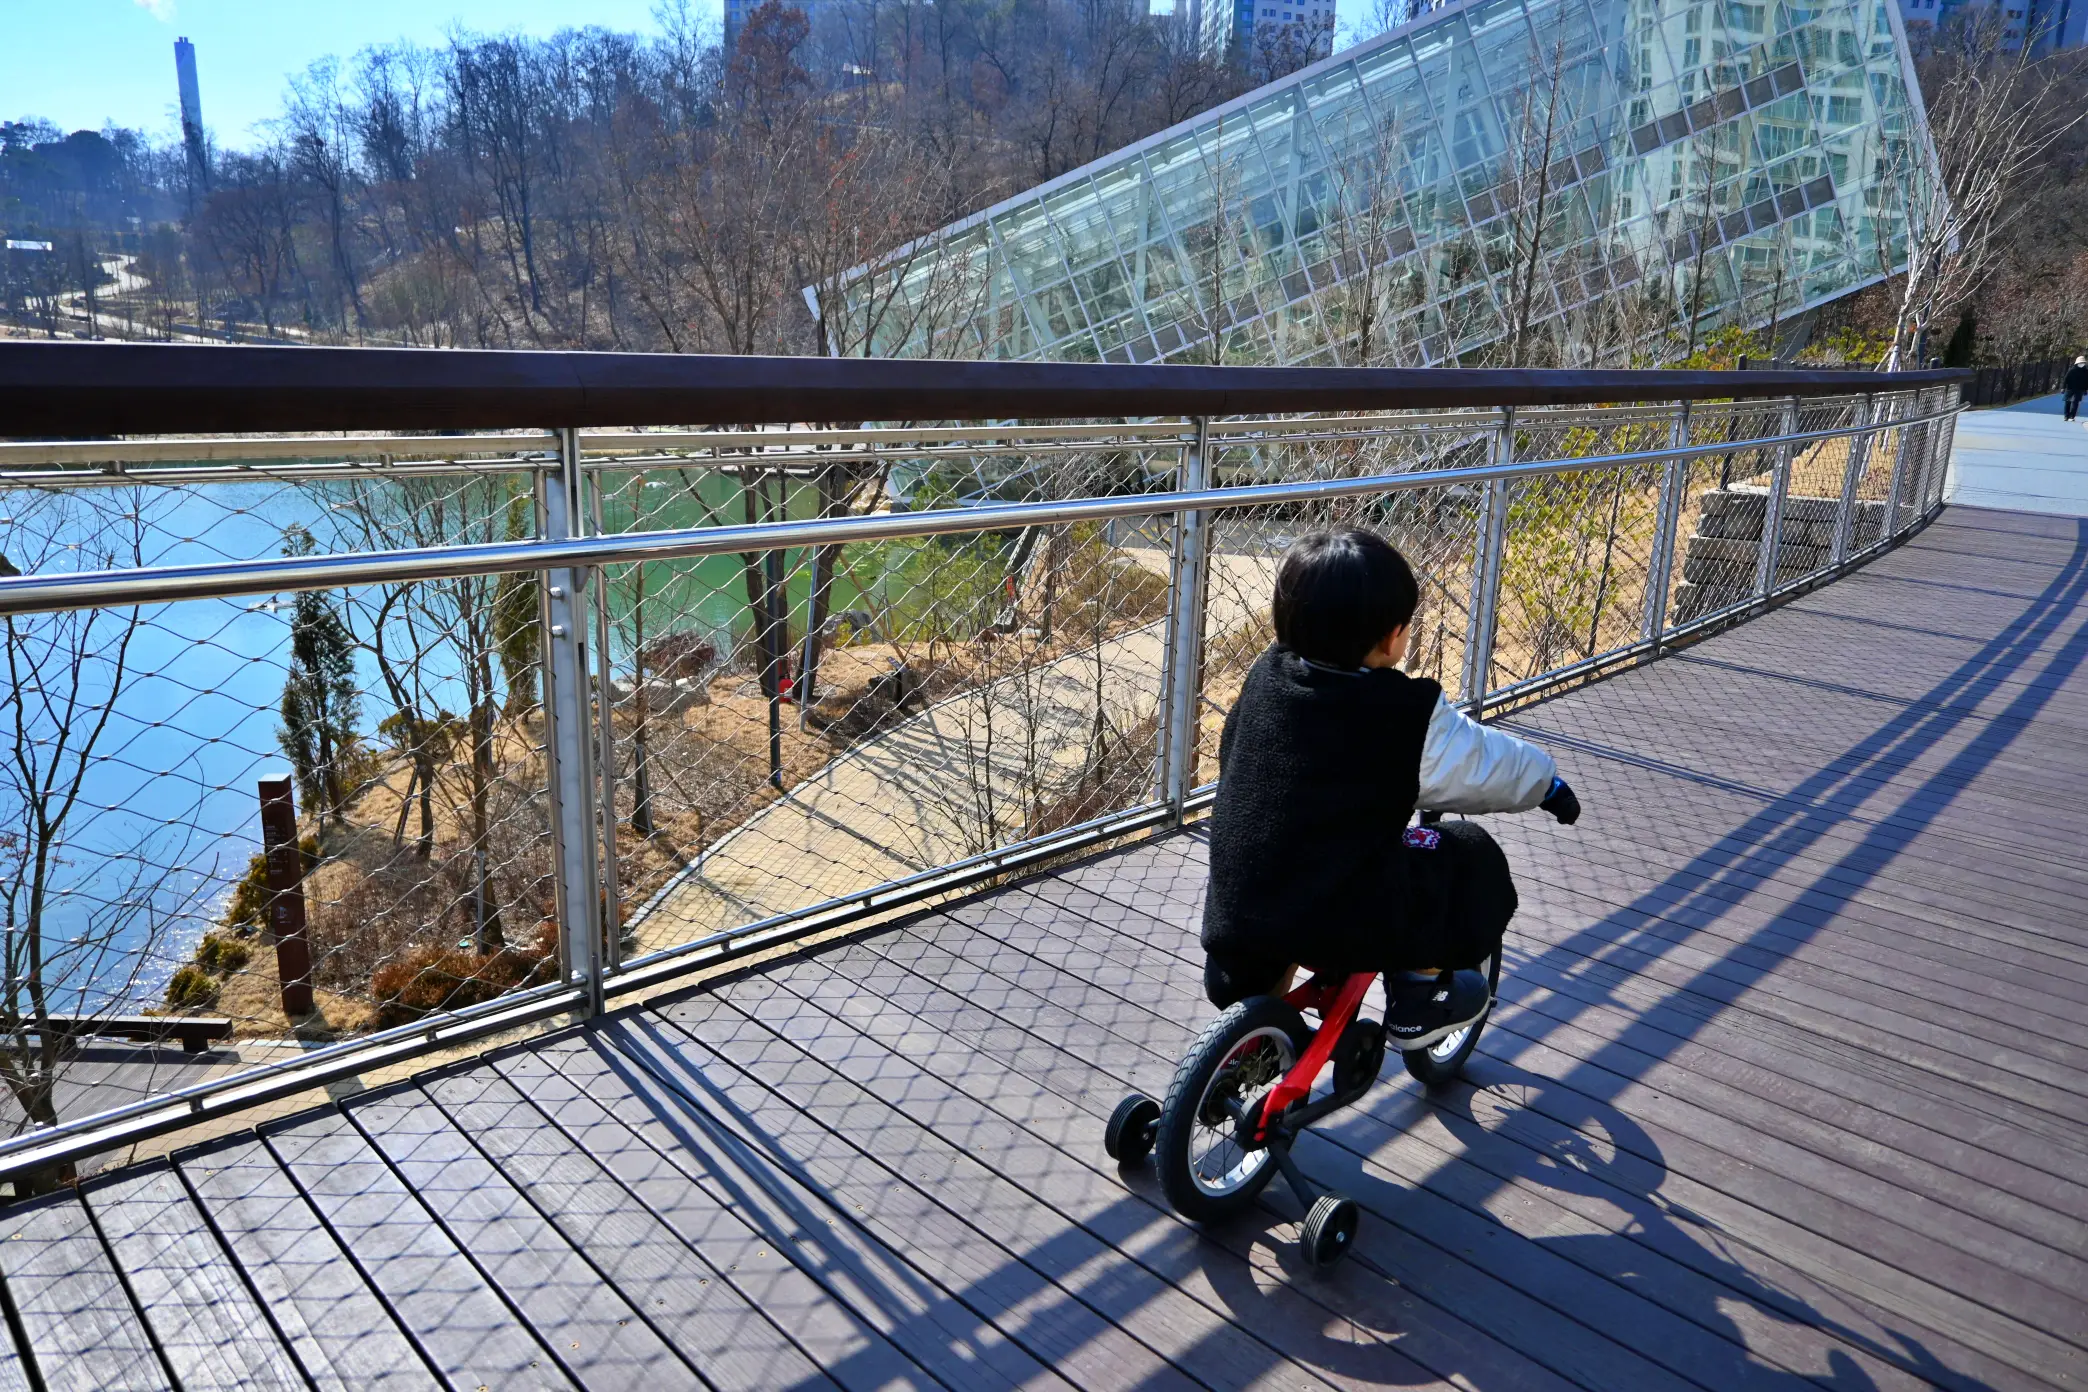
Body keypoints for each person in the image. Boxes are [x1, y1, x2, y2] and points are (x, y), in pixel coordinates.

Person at [1201, 527, 1580, 1050]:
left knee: (1287, 874)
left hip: (1240, 905)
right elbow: (1482, 764)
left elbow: (1231, 752)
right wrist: (1546, 781)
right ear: (1390, 637)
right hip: (1340, 919)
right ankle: (1420, 993)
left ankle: (1248, 1039)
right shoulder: (1403, 716)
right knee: (1465, 856)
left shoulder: (1264, 677)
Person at [2065, 357, 2088, 422]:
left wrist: (2085, 389)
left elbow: (2087, 381)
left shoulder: (2086, 371)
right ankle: (2066, 416)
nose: (2082, 364)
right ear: (2077, 363)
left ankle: (2072, 416)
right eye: (2080, 362)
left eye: (2083, 363)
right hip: (2070, 388)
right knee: (2068, 402)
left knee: (2076, 402)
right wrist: (2063, 387)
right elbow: (2066, 378)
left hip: (2079, 389)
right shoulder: (2072, 370)